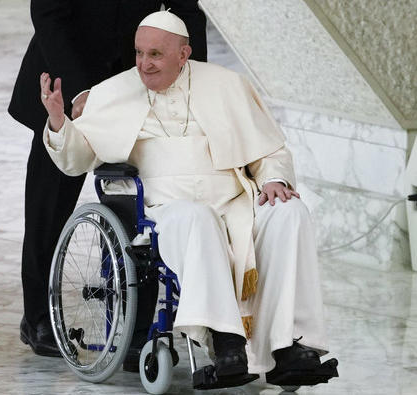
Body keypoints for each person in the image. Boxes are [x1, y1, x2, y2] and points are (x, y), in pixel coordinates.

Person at [39, 10, 336, 387]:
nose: (144, 65)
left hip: (236, 202)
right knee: (197, 219)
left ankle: (291, 346)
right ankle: (226, 342)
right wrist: (59, 123)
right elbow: (77, 159)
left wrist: (274, 179)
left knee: (290, 211)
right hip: (166, 211)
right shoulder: (112, 93)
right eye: (139, 53)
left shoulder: (227, 85)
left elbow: (269, 151)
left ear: (184, 54)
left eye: (156, 55)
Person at [8, 0, 208, 365]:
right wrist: (82, 91)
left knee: (135, 206)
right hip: (64, 78)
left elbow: (186, 11)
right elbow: (49, 12)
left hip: (134, 83)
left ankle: (133, 330)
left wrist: (197, 84)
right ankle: (38, 317)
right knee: (48, 210)